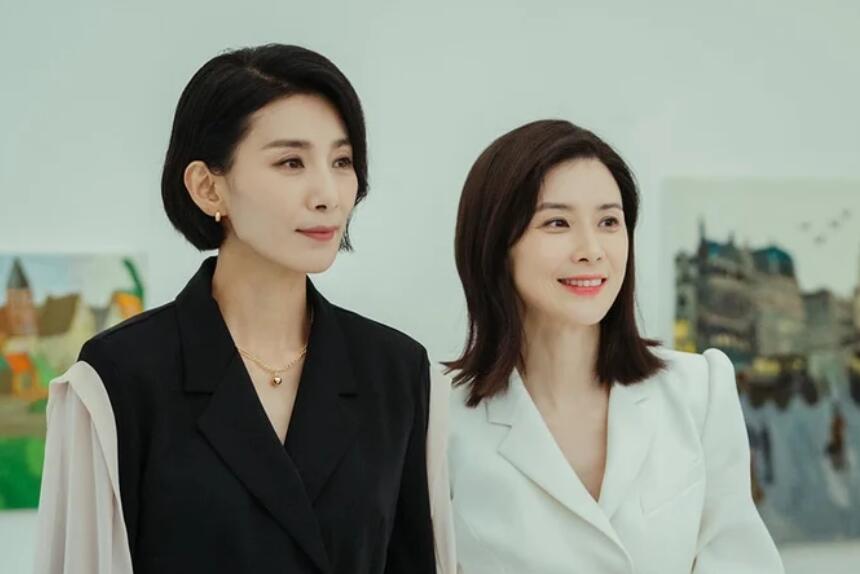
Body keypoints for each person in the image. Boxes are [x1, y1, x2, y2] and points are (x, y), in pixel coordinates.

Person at [34, 44, 447, 574]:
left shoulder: (396, 371)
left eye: (342, 162)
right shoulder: (117, 379)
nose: (329, 194)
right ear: (208, 188)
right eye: (291, 162)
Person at [445, 119, 784, 573]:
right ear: (494, 244)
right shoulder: (438, 417)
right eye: (557, 222)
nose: (592, 249)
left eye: (609, 221)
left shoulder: (698, 390)